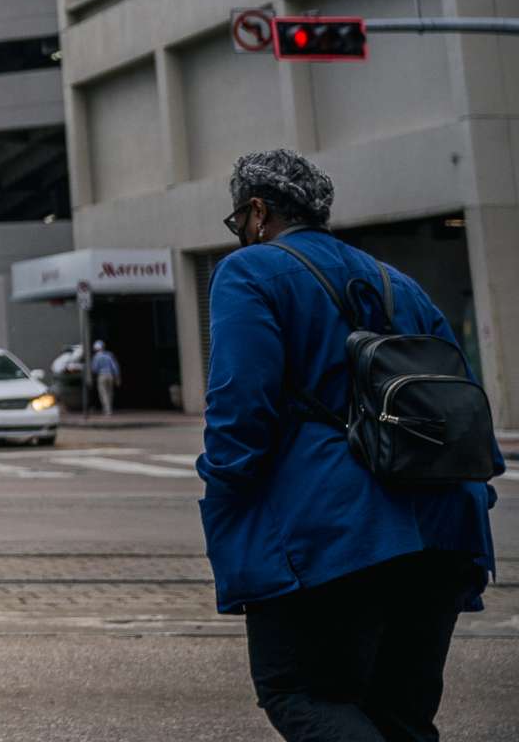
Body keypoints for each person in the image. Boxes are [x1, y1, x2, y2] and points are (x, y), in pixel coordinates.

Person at [200, 148, 499, 741]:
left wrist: (223, 491)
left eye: (239, 222)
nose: (241, 235)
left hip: (332, 535)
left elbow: (239, 412)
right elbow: (460, 402)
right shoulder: (399, 283)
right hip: (442, 529)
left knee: (298, 691)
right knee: (402, 717)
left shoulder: (250, 272)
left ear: (257, 212)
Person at [90, 340, 120, 417]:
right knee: (110, 393)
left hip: (102, 375)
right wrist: (117, 377)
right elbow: (115, 366)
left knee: (103, 393)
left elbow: (94, 369)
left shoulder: (96, 357)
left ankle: (107, 410)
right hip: (110, 375)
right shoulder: (109, 355)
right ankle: (109, 408)